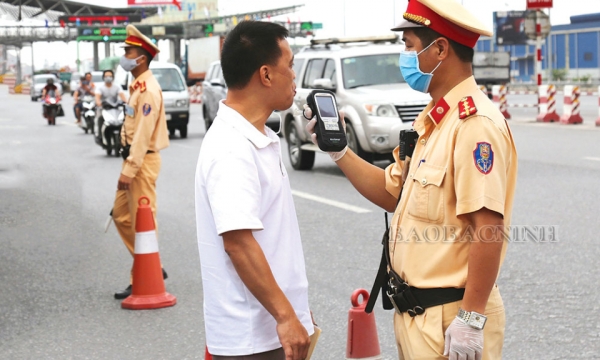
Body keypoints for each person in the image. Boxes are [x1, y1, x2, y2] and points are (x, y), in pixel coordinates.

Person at [306, 0, 518, 359]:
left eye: (408, 46)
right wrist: (339, 151)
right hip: (417, 316)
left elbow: (488, 227)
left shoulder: (474, 124)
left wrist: (471, 318)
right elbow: (394, 193)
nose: (403, 57)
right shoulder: (434, 119)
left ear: (439, 49)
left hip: (450, 318)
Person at [195, 21, 313, 359]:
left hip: (273, 329)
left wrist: (297, 312)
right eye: (289, 66)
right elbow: (238, 243)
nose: (294, 76)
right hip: (252, 339)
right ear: (265, 74)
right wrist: (287, 316)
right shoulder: (232, 146)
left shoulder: (258, 136)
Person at [112, 24, 169, 300]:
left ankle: (143, 277)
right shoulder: (135, 86)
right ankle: (152, 264)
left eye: (128, 51)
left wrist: (130, 169)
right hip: (133, 160)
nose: (124, 55)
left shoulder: (147, 89)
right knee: (121, 215)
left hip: (141, 163)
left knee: (141, 220)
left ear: (142, 58)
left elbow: (143, 135)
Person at [95, 69, 128, 142]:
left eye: (110, 76)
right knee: (100, 118)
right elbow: (97, 98)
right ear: (103, 77)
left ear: (113, 77)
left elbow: (123, 97)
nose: (108, 77)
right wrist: (99, 104)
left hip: (115, 108)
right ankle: (99, 136)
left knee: (125, 119)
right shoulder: (100, 87)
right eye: (106, 76)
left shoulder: (117, 87)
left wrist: (126, 102)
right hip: (105, 109)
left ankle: (127, 137)